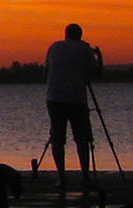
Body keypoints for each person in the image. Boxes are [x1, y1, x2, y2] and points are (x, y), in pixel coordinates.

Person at [42, 23, 102, 188]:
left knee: (57, 139)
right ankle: (85, 176)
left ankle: (61, 177)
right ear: (80, 35)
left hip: (54, 98)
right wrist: (98, 56)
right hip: (76, 99)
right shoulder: (84, 49)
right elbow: (97, 72)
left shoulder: (54, 47)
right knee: (83, 138)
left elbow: (46, 70)